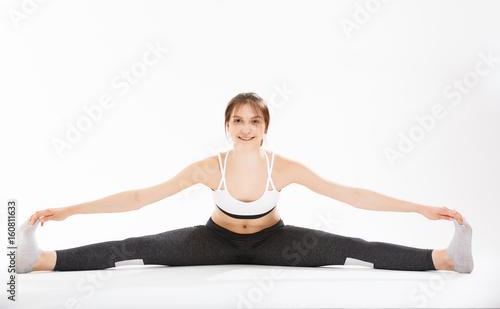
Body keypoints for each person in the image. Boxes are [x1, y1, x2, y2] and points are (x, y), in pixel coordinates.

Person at [16, 92, 473, 274]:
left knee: (356, 248)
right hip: (211, 242)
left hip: (276, 242)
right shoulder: (208, 167)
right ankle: (40, 260)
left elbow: (350, 195)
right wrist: (70, 210)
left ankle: (446, 259)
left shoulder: (284, 167)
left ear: (265, 126)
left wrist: (420, 209)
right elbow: (140, 198)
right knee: (136, 247)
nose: (246, 127)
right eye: (238, 120)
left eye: (254, 120)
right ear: (227, 126)